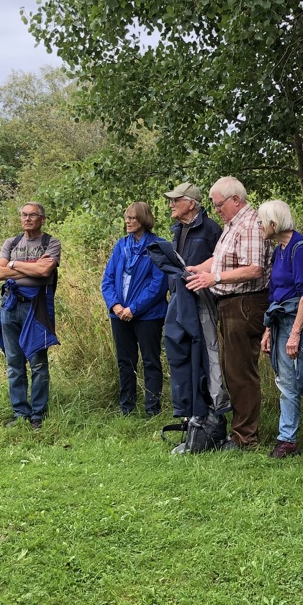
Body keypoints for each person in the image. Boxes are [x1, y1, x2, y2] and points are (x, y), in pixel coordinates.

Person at [184, 178, 272, 450]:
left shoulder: (251, 225)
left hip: (245, 302)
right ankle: (240, 432)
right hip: (231, 302)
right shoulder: (232, 226)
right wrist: (198, 268)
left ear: (236, 199)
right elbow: (221, 258)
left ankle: (246, 438)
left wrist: (215, 278)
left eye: (219, 204)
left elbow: (254, 268)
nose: (217, 209)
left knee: (241, 372)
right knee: (232, 370)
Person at [156, 183, 228, 453]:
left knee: (208, 356)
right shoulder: (177, 230)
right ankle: (193, 415)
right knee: (183, 356)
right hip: (180, 303)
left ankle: (214, 417)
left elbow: (221, 263)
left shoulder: (210, 230)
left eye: (176, 200)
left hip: (204, 302)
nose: (171, 205)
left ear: (192, 203)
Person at [258, 200, 303, 466]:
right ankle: (287, 438)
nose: (259, 226)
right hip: (280, 321)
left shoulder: (301, 249)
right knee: (286, 383)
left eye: (261, 221)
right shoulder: (279, 250)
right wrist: (267, 330)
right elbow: (275, 293)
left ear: (273, 224)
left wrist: (295, 334)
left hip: (302, 323)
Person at [0, 202, 62, 429]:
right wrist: (28, 266)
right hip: (10, 306)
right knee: (14, 361)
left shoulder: (50, 242)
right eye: (24, 215)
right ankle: (20, 412)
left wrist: (12, 265)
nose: (27, 219)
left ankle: (38, 414)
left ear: (42, 219)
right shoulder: (11, 242)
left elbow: (44, 272)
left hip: (37, 307)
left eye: (33, 215)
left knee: (38, 362)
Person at [100, 202, 167, 416]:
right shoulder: (121, 246)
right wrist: (116, 305)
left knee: (150, 360)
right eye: (126, 217)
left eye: (133, 218)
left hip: (148, 315)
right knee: (125, 361)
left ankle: (152, 409)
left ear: (144, 220)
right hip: (119, 314)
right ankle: (126, 407)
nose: (128, 221)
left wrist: (134, 309)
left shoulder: (157, 245)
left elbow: (159, 284)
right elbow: (108, 279)